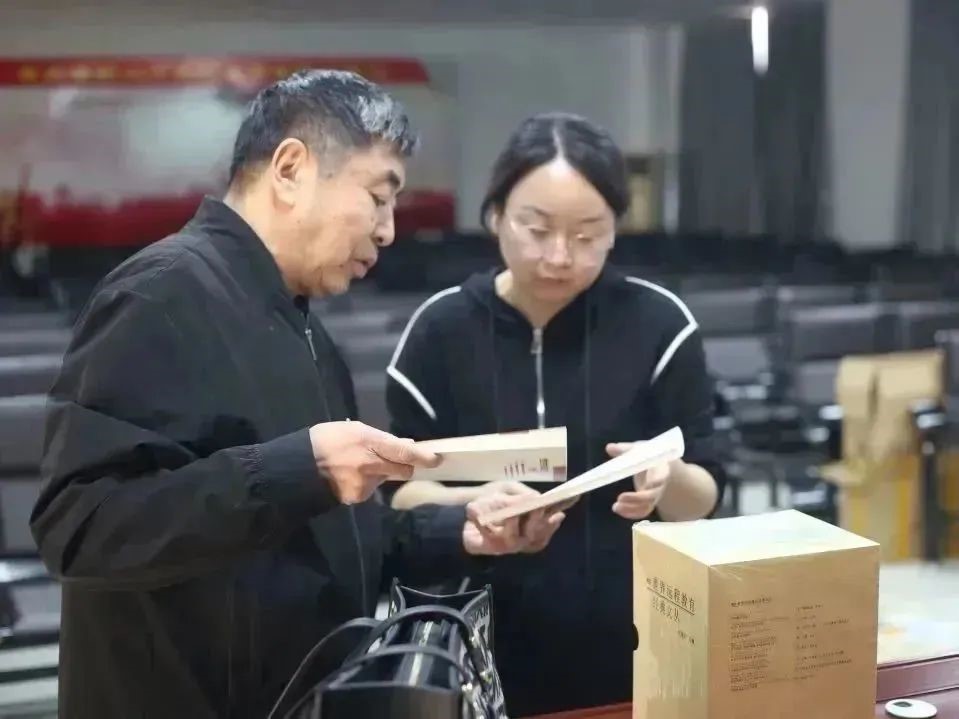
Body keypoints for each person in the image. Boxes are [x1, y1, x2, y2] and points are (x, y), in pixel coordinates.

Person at [29, 71, 564, 719]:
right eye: (378, 197)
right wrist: (298, 467)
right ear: (290, 169)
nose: (388, 230)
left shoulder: (303, 327)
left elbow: (335, 538)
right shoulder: (160, 294)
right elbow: (79, 528)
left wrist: (466, 527)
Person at [385, 112, 726, 716]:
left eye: (588, 234)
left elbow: (703, 494)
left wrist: (664, 478)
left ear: (616, 229)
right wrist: (473, 504)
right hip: (477, 643)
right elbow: (401, 494)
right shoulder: (440, 330)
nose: (559, 256)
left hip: (634, 636)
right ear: (495, 216)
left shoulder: (659, 326)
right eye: (537, 229)